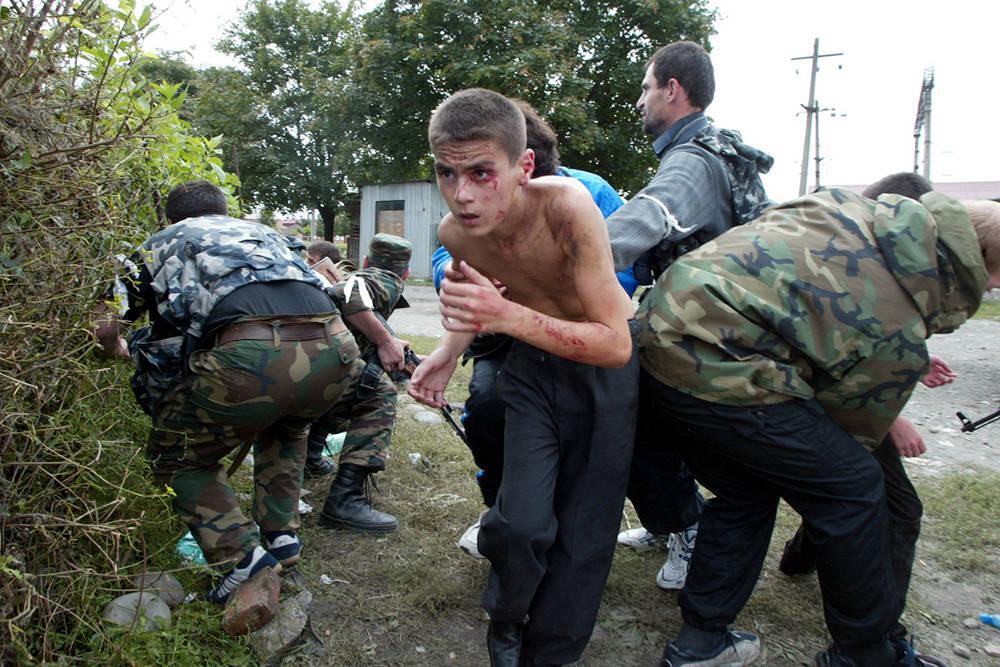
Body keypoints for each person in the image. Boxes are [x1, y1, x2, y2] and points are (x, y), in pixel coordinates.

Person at [636, 188, 999, 666]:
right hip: (724, 371)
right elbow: (853, 431)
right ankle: (865, 653)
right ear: (979, 264)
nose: (991, 292)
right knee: (855, 491)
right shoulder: (900, 322)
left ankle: (700, 643)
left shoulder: (844, 207)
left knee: (746, 489)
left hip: (653, 342)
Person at [410, 89, 638, 666]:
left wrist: (507, 316)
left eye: (481, 173)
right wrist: (447, 352)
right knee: (520, 522)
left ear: (524, 166)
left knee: (583, 536)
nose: (462, 194)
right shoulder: (456, 233)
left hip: (602, 372)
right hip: (532, 368)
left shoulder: (568, 206)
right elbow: (479, 303)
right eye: (446, 173)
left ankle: (551, 654)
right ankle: (508, 616)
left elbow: (615, 345)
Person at [97, 180, 366, 604]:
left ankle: (240, 561)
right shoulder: (268, 236)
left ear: (170, 218)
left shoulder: (158, 243)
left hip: (251, 355)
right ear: (222, 211)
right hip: (336, 348)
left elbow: (106, 323)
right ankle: (281, 539)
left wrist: (115, 348)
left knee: (178, 456)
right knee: (286, 429)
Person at [605, 40, 774, 592]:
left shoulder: (694, 160)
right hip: (722, 330)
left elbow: (648, 218)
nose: (640, 101)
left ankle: (685, 525)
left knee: (625, 416)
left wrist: (556, 259)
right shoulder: (720, 150)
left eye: (646, 88)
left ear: (672, 90)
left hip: (709, 342)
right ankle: (672, 520)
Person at [777, 174, 951, 666]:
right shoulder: (855, 254)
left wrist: (913, 363)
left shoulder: (848, 240)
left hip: (812, 400)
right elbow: (833, 353)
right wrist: (892, 420)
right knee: (897, 509)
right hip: (815, 403)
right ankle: (878, 636)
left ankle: (800, 559)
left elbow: (865, 344)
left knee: (845, 493)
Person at [311, 233, 413, 533]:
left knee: (350, 383)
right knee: (377, 394)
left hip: (305, 363)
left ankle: (310, 458)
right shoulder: (386, 280)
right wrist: (384, 341)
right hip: (319, 365)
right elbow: (348, 292)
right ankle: (344, 499)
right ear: (406, 273)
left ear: (366, 260)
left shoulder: (366, 274)